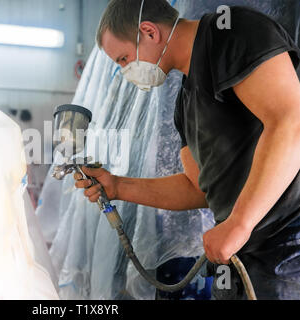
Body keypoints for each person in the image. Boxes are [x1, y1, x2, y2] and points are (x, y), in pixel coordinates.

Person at [74, 0, 300, 299]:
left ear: (150, 32)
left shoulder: (233, 32)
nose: (126, 71)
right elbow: (197, 188)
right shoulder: (185, 102)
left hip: (287, 250)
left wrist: (239, 223)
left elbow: (290, 121)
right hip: (239, 257)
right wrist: (117, 186)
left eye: (124, 59)